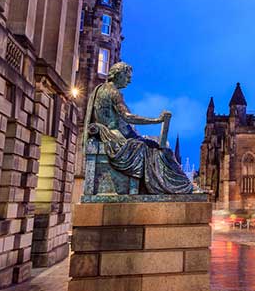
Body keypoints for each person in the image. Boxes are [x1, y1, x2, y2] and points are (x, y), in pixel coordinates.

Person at [83, 61, 196, 194]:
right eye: (128, 77)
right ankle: (179, 187)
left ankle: (179, 185)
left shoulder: (101, 89)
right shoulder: (113, 92)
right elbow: (128, 117)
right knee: (162, 150)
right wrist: (157, 120)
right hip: (115, 137)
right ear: (119, 75)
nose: (129, 81)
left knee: (157, 143)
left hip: (114, 134)